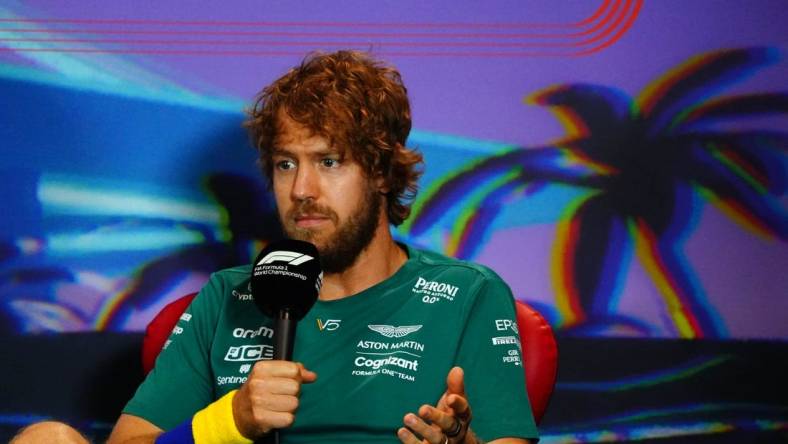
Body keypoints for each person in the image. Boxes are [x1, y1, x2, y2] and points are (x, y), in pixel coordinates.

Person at [14, 50, 538, 444]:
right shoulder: (227, 295)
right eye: (286, 164)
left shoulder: (467, 294)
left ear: (380, 171)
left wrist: (461, 442)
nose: (302, 190)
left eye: (328, 161)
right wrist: (230, 420)